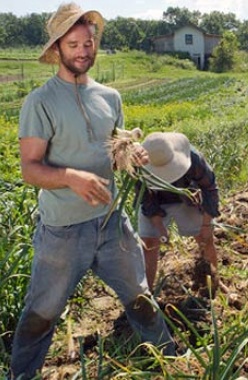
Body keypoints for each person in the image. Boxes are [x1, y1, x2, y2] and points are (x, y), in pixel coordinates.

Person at [11, 3, 174, 378]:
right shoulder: (41, 102)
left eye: (88, 42)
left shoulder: (110, 98)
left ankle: (169, 361)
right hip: (63, 231)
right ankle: (20, 374)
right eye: (74, 44)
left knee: (140, 296)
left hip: (111, 223)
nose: (84, 50)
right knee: (43, 312)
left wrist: (132, 155)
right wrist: (72, 177)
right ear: (57, 50)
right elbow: (30, 169)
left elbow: (116, 155)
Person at [137, 132, 227, 296]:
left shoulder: (193, 158)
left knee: (204, 239)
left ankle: (213, 282)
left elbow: (209, 189)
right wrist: (159, 227)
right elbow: (146, 199)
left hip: (187, 197)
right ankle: (146, 294)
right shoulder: (138, 164)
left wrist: (207, 224)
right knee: (148, 243)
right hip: (156, 201)